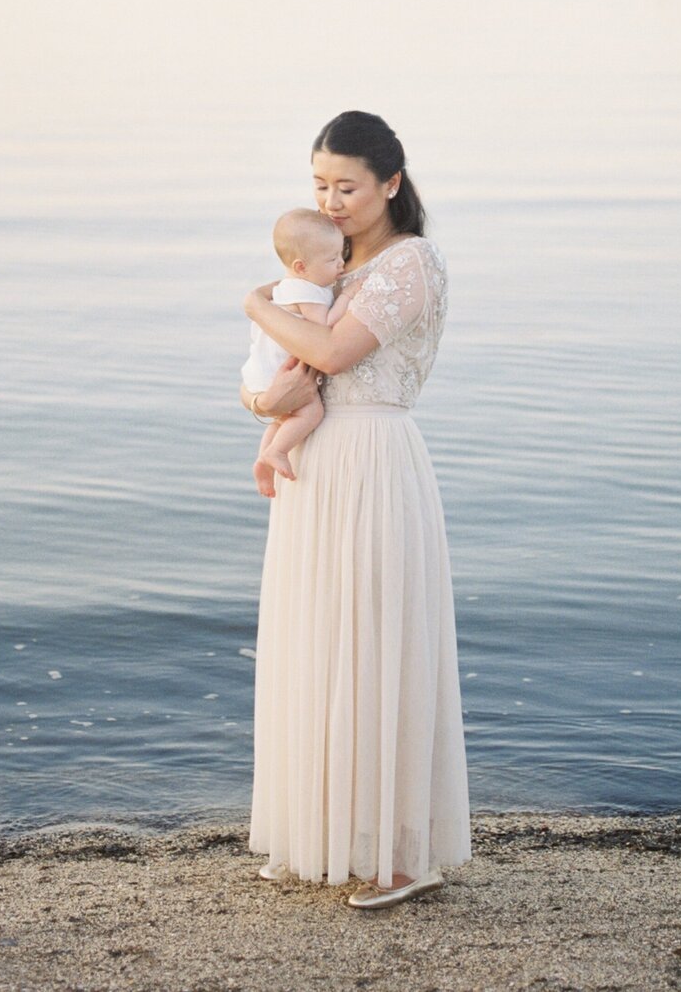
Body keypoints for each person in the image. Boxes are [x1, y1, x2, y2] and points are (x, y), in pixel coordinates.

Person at [240, 110, 472, 910]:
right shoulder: (323, 266)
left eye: (347, 186)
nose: (332, 201)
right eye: (320, 185)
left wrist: (252, 302)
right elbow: (267, 378)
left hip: (375, 461)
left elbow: (332, 355)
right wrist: (259, 392)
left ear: (391, 184)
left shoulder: (412, 265)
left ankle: (406, 857)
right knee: (316, 647)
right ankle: (321, 839)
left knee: (379, 647)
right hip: (312, 470)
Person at [241, 208, 361, 498]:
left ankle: (264, 458)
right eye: (332, 259)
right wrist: (347, 296)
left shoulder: (286, 286)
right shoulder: (307, 292)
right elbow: (324, 328)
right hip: (280, 374)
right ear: (301, 266)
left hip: (263, 374)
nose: (341, 265)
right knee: (311, 412)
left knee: (284, 420)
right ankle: (277, 452)